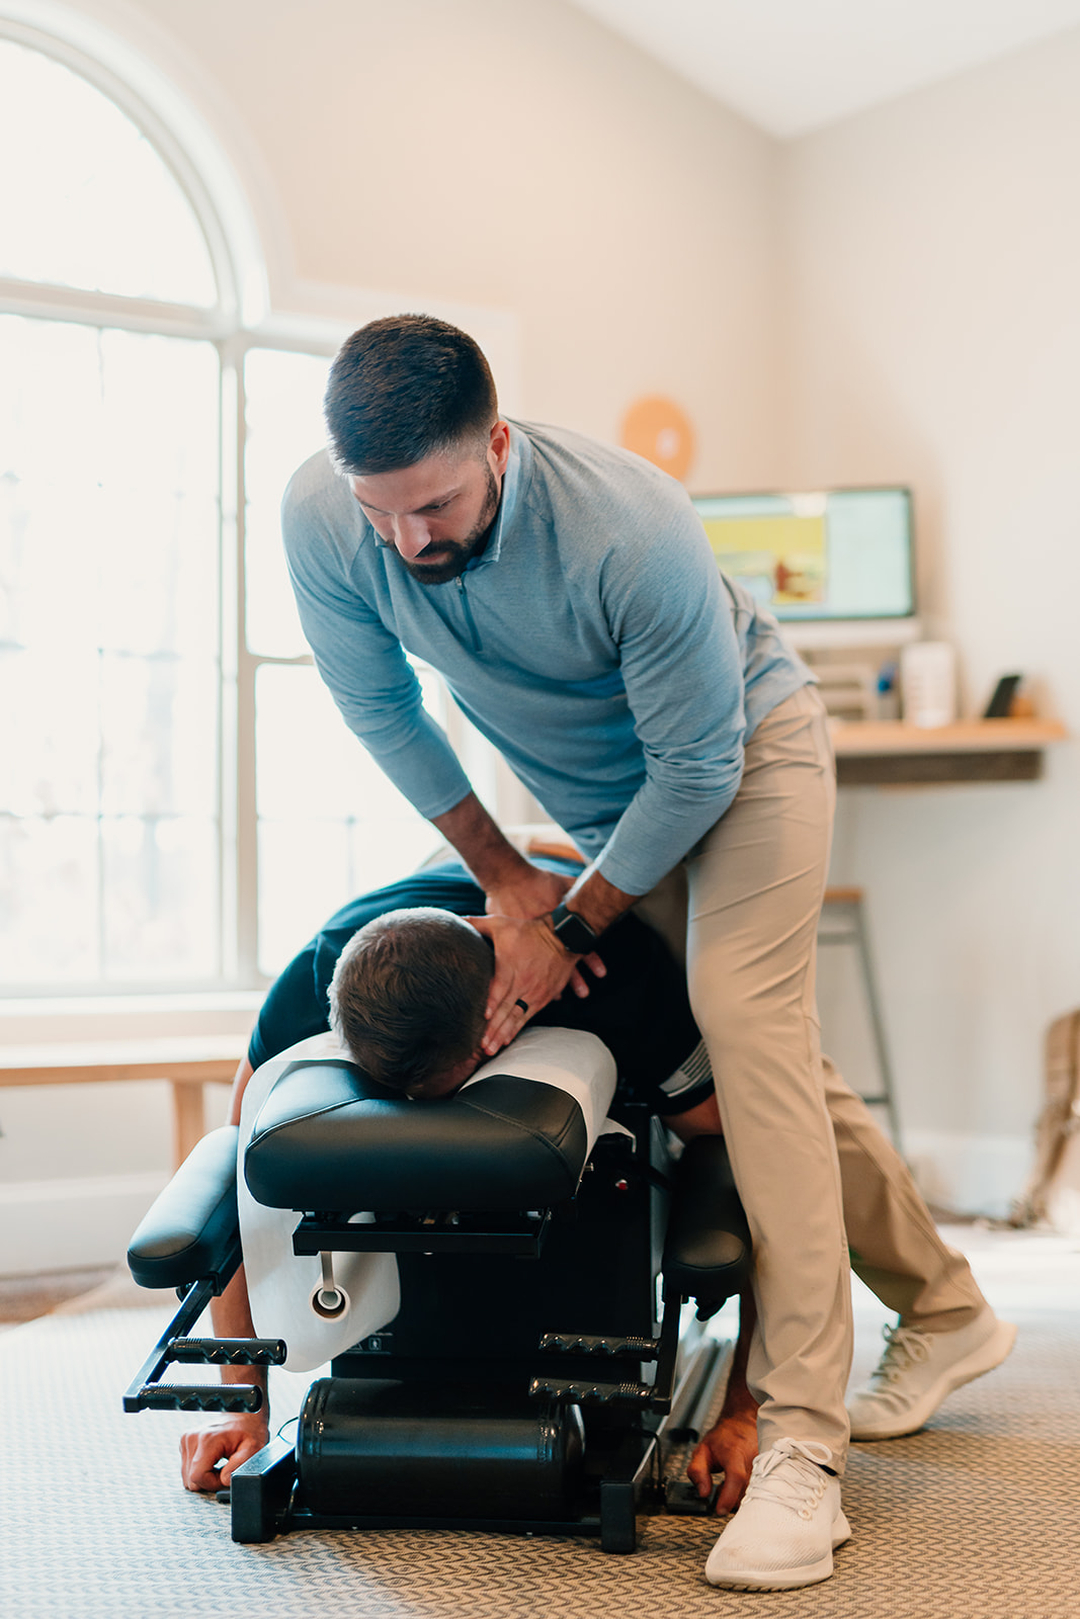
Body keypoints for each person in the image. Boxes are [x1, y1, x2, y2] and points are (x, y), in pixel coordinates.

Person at [181, 855, 1013, 1561]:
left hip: (628, 867)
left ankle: (944, 1301)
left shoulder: (626, 985)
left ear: (494, 1031)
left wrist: (747, 1405)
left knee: (781, 1080)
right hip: (490, 866)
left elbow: (774, 1168)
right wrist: (242, 1405)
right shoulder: (318, 972)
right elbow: (242, 1179)